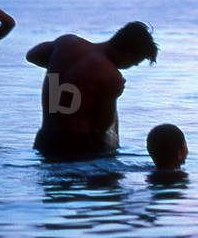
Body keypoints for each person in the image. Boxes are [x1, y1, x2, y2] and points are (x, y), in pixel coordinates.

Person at [26, 22, 158, 160]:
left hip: (45, 139)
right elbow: (102, 126)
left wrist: (63, 71)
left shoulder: (67, 43)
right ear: (128, 54)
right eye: (134, 63)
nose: (130, 66)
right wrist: (115, 94)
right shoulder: (111, 76)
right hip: (78, 144)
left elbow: (32, 55)